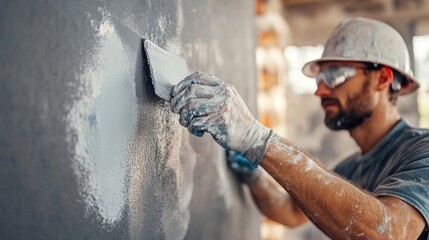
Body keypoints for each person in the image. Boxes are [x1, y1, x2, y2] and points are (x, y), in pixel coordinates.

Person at [170, 17, 429, 239]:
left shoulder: (423, 151)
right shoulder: (352, 168)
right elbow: (289, 212)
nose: (320, 89)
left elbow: (390, 233)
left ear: (383, 78)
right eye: (319, 78)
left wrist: (254, 137)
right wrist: (254, 177)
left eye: (335, 75)